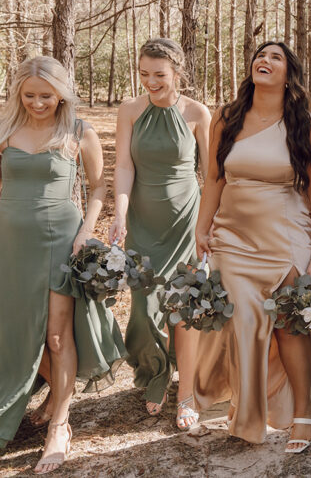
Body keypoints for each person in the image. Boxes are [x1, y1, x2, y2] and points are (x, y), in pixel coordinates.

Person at [193, 41, 311, 453]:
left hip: (286, 235)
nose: (264, 61)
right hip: (232, 237)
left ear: (290, 74)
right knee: (243, 324)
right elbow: (214, 178)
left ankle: (303, 414)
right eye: (260, 55)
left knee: (290, 325)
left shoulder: (308, 126)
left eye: (276, 57)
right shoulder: (227, 117)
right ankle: (247, 415)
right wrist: (202, 228)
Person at [0, 56, 125, 474]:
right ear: (19, 92)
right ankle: (46, 395)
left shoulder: (78, 131)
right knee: (18, 330)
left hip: (60, 239)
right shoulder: (5, 129)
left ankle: (60, 425)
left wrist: (85, 233)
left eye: (46, 96)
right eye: (30, 95)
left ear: (61, 94)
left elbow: (98, 188)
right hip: (11, 243)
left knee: (56, 337)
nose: (38, 103)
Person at [110, 38, 210, 429]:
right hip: (143, 221)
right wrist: (119, 212)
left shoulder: (197, 113)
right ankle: (156, 373)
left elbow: (213, 174)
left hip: (186, 219)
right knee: (143, 307)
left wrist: (211, 220)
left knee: (182, 310)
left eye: (160, 75)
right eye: (144, 74)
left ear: (177, 73)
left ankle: (185, 394)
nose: (151, 82)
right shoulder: (130, 110)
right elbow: (123, 166)